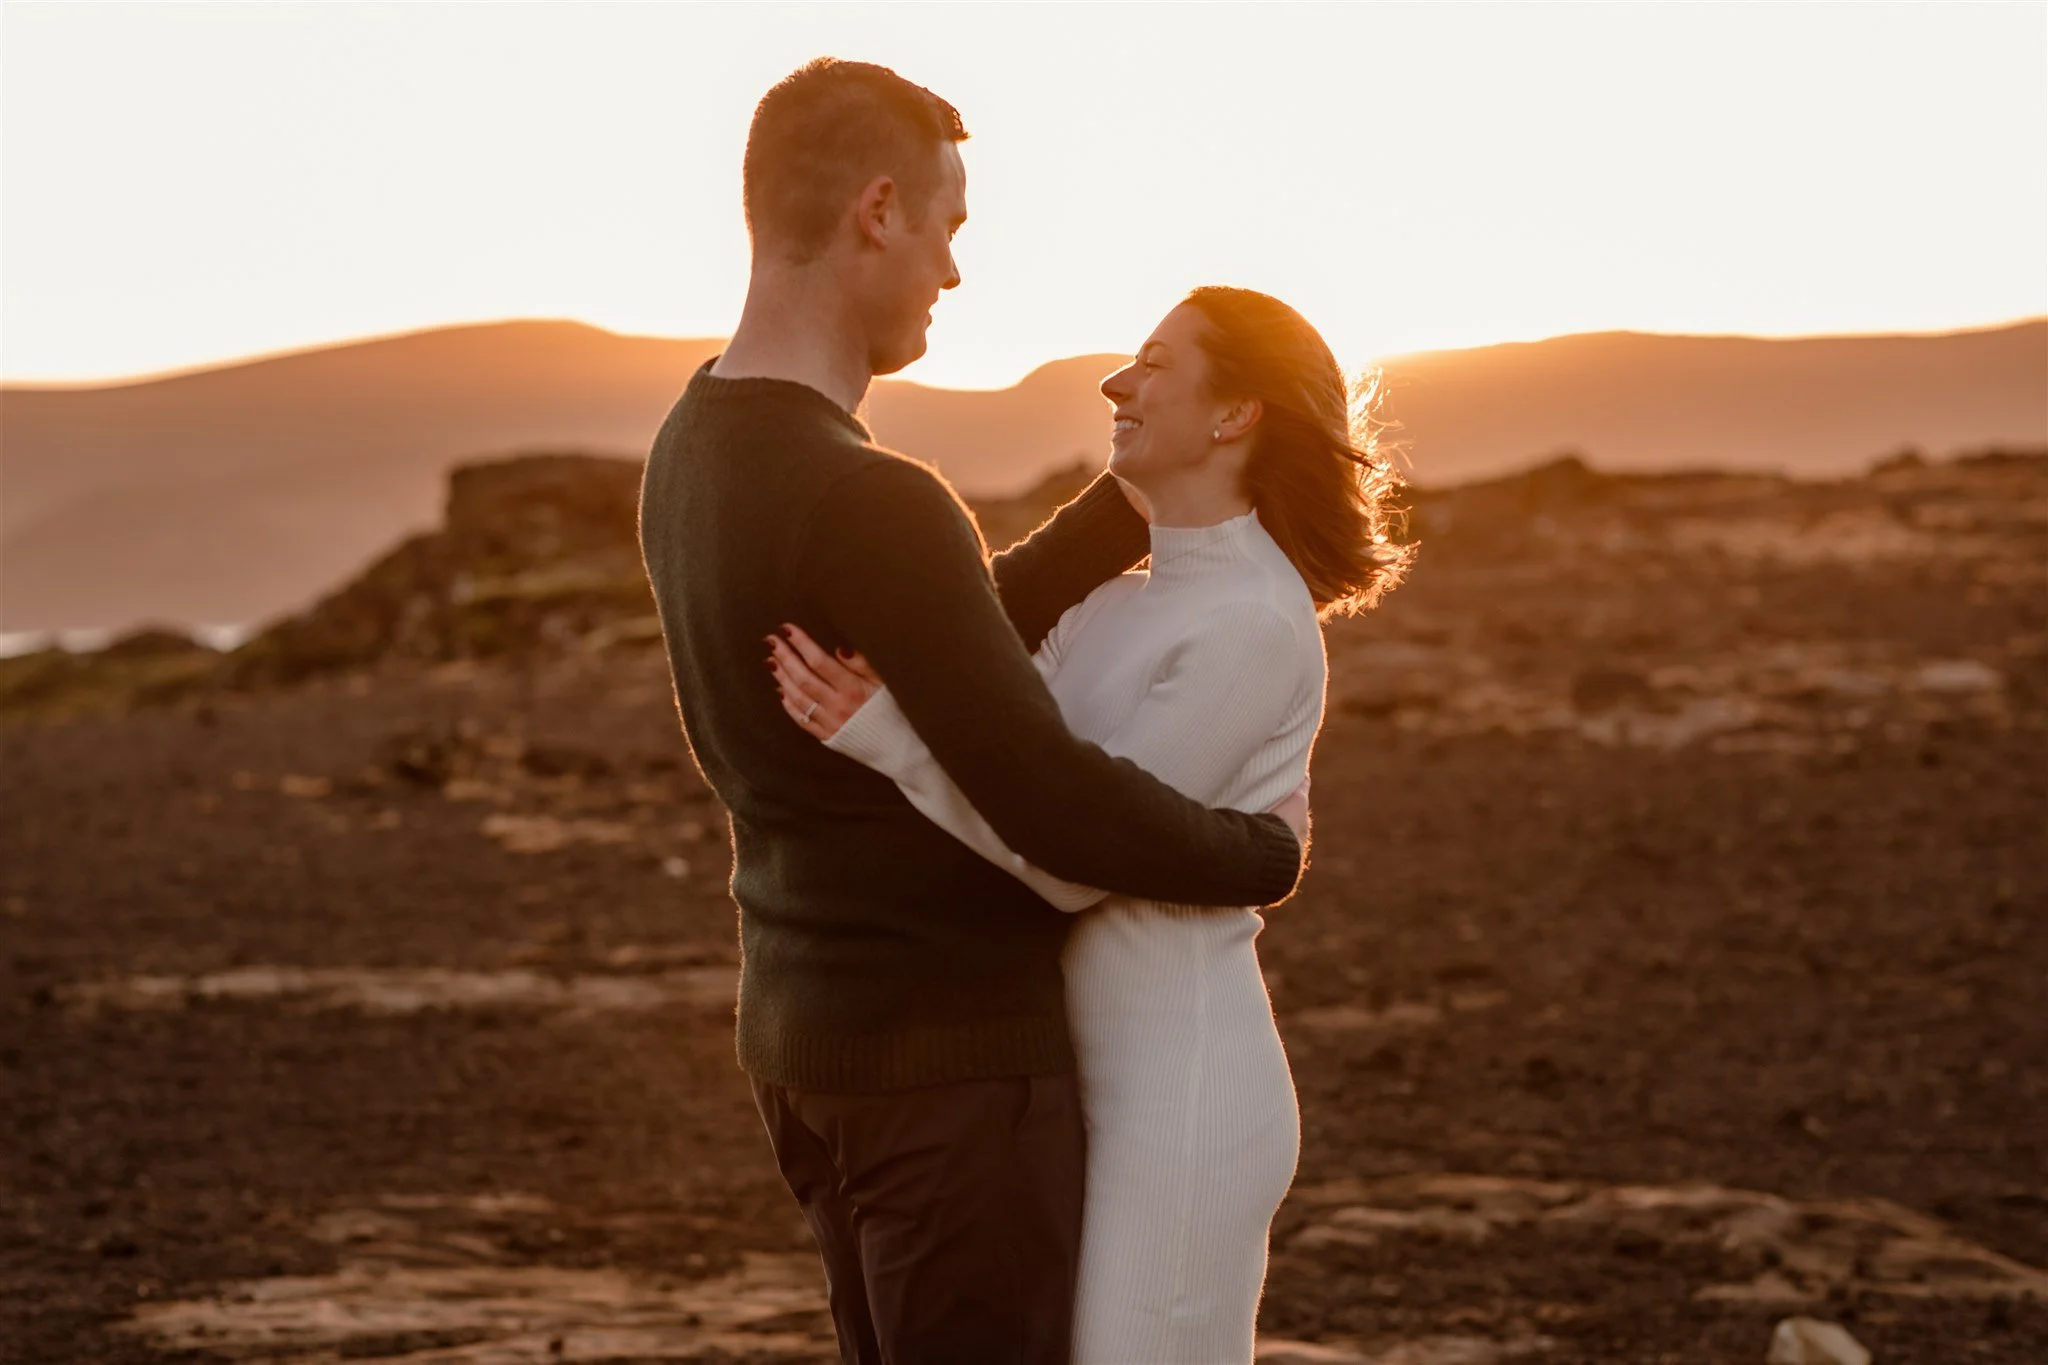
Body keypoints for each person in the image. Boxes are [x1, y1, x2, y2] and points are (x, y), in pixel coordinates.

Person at [636, 59, 1309, 1364]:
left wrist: (1126, 506)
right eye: (947, 229)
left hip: (807, 1050)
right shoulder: (873, 497)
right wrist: (1259, 855)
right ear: (877, 212)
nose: (952, 271)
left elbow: (943, 630)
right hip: (950, 1079)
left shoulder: (695, 444)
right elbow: (1050, 802)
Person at [769, 286, 1413, 1362]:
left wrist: (886, 739)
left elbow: (1070, 862)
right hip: (1074, 1073)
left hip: (1181, 1086)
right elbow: (1000, 759)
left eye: (1154, 365)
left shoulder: (1252, 621)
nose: (1117, 383)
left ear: (1234, 414)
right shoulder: (1114, 603)